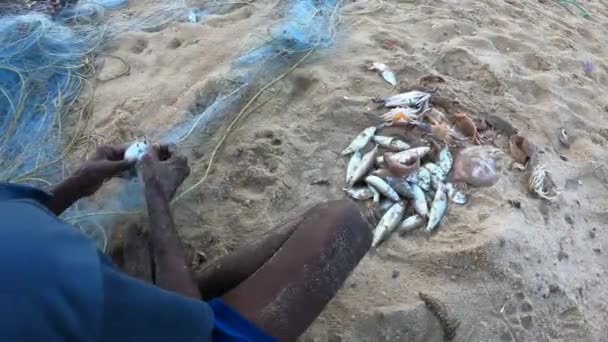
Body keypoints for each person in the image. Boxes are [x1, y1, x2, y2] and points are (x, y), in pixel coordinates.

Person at [0, 144, 374, 341]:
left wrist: (77, 185)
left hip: (94, 306)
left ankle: (183, 284)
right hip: (169, 331)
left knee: (139, 250)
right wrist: (157, 197)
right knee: (343, 221)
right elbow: (188, 327)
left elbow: (17, 209)